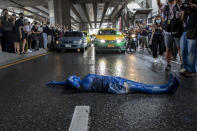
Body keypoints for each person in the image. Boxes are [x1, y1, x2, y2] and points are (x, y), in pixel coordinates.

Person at [47, 74, 179, 94]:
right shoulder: (81, 86)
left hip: (114, 80)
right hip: (115, 86)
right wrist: (68, 82)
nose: (74, 77)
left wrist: (55, 82)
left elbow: (66, 82)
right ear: (74, 84)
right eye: (73, 79)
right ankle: (167, 90)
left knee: (141, 84)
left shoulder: (80, 81)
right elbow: (69, 83)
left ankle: (165, 86)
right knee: (141, 88)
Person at [157, 0, 183, 71]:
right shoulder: (165, 7)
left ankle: (182, 64)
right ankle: (168, 64)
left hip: (177, 32)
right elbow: (159, 4)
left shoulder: (178, 5)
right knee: (168, 48)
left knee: (180, 48)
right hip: (167, 32)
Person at [180, 0, 197, 76]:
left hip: (194, 30)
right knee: (184, 51)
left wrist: (195, 6)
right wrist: (184, 10)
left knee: (191, 52)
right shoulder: (187, 3)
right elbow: (182, 19)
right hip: (186, 30)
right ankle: (187, 68)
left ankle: (193, 71)